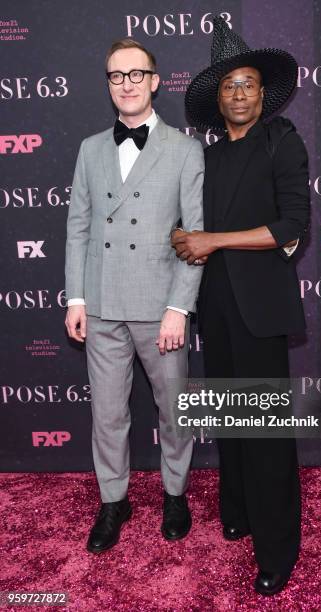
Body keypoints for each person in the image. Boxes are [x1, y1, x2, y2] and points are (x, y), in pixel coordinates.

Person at [173, 17, 310, 595]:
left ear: (262, 91)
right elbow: (191, 226)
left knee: (268, 431)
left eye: (247, 83)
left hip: (262, 308)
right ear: (218, 96)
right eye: (228, 85)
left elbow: (292, 226)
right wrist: (182, 236)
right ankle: (239, 512)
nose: (238, 93)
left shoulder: (283, 140)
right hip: (218, 307)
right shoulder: (204, 156)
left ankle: (279, 547)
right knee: (231, 419)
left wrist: (212, 241)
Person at [65, 38, 204, 553]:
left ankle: (174, 494)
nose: (125, 83)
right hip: (100, 305)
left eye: (135, 74)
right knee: (107, 413)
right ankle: (113, 500)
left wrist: (179, 307)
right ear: (109, 84)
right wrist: (75, 298)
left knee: (173, 410)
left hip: (158, 306)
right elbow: (77, 228)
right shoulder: (90, 148)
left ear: (155, 80)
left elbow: (195, 233)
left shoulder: (185, 150)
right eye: (116, 76)